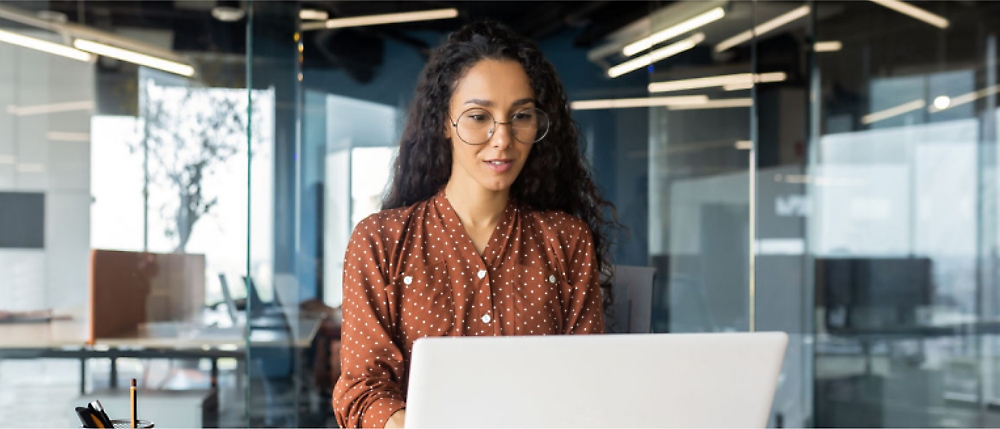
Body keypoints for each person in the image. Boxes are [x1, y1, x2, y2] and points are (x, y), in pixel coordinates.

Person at [333, 20, 619, 428]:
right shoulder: (380, 241)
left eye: (520, 115)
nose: (502, 138)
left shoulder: (566, 240)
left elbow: (589, 385)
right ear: (443, 124)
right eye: (478, 116)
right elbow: (362, 389)